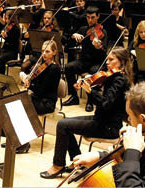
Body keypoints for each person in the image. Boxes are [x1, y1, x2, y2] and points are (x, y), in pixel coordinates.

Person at [71, 82, 145, 187]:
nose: (129, 120)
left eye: (130, 116)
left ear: (143, 120)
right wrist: (101, 156)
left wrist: (132, 153)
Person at [40, 47, 132, 179]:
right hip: (100, 119)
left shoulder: (120, 80)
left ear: (121, 62)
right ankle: (78, 161)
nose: (107, 62)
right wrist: (89, 84)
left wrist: (90, 91)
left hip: (108, 126)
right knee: (64, 125)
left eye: (111, 60)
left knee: (62, 125)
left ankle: (57, 166)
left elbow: (105, 104)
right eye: (107, 59)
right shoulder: (113, 77)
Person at [17, 40, 60, 153]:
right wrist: (27, 78)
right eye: (42, 51)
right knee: (19, 101)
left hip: (47, 102)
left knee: (23, 104)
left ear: (54, 53)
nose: (44, 54)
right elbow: (36, 84)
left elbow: (41, 90)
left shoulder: (54, 69)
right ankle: (17, 138)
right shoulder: (42, 66)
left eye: (47, 51)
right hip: (38, 98)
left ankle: (24, 143)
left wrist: (30, 85)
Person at [63, 6, 107, 110]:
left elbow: (104, 50)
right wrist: (73, 36)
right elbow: (68, 45)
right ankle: (74, 96)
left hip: (97, 62)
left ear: (98, 17)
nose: (90, 20)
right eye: (88, 17)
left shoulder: (103, 32)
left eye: (92, 17)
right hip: (84, 61)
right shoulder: (83, 29)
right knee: (68, 67)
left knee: (93, 71)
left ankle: (90, 100)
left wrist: (98, 47)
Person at [0, 9, 20, 75]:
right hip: (4, 49)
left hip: (12, 52)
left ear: (12, 18)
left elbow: (13, 40)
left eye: (7, 18)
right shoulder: (6, 26)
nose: (6, 20)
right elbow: (0, 34)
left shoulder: (16, 28)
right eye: (6, 18)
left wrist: (5, 36)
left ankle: (1, 78)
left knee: (1, 58)